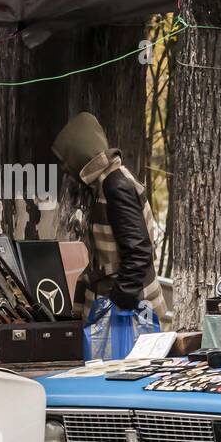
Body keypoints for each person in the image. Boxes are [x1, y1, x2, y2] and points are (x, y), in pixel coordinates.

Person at [51, 112, 166, 325]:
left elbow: (139, 252)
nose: (65, 168)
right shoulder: (105, 183)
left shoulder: (115, 186)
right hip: (122, 303)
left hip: (131, 313)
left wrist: (117, 308)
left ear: (80, 154)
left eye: (66, 159)